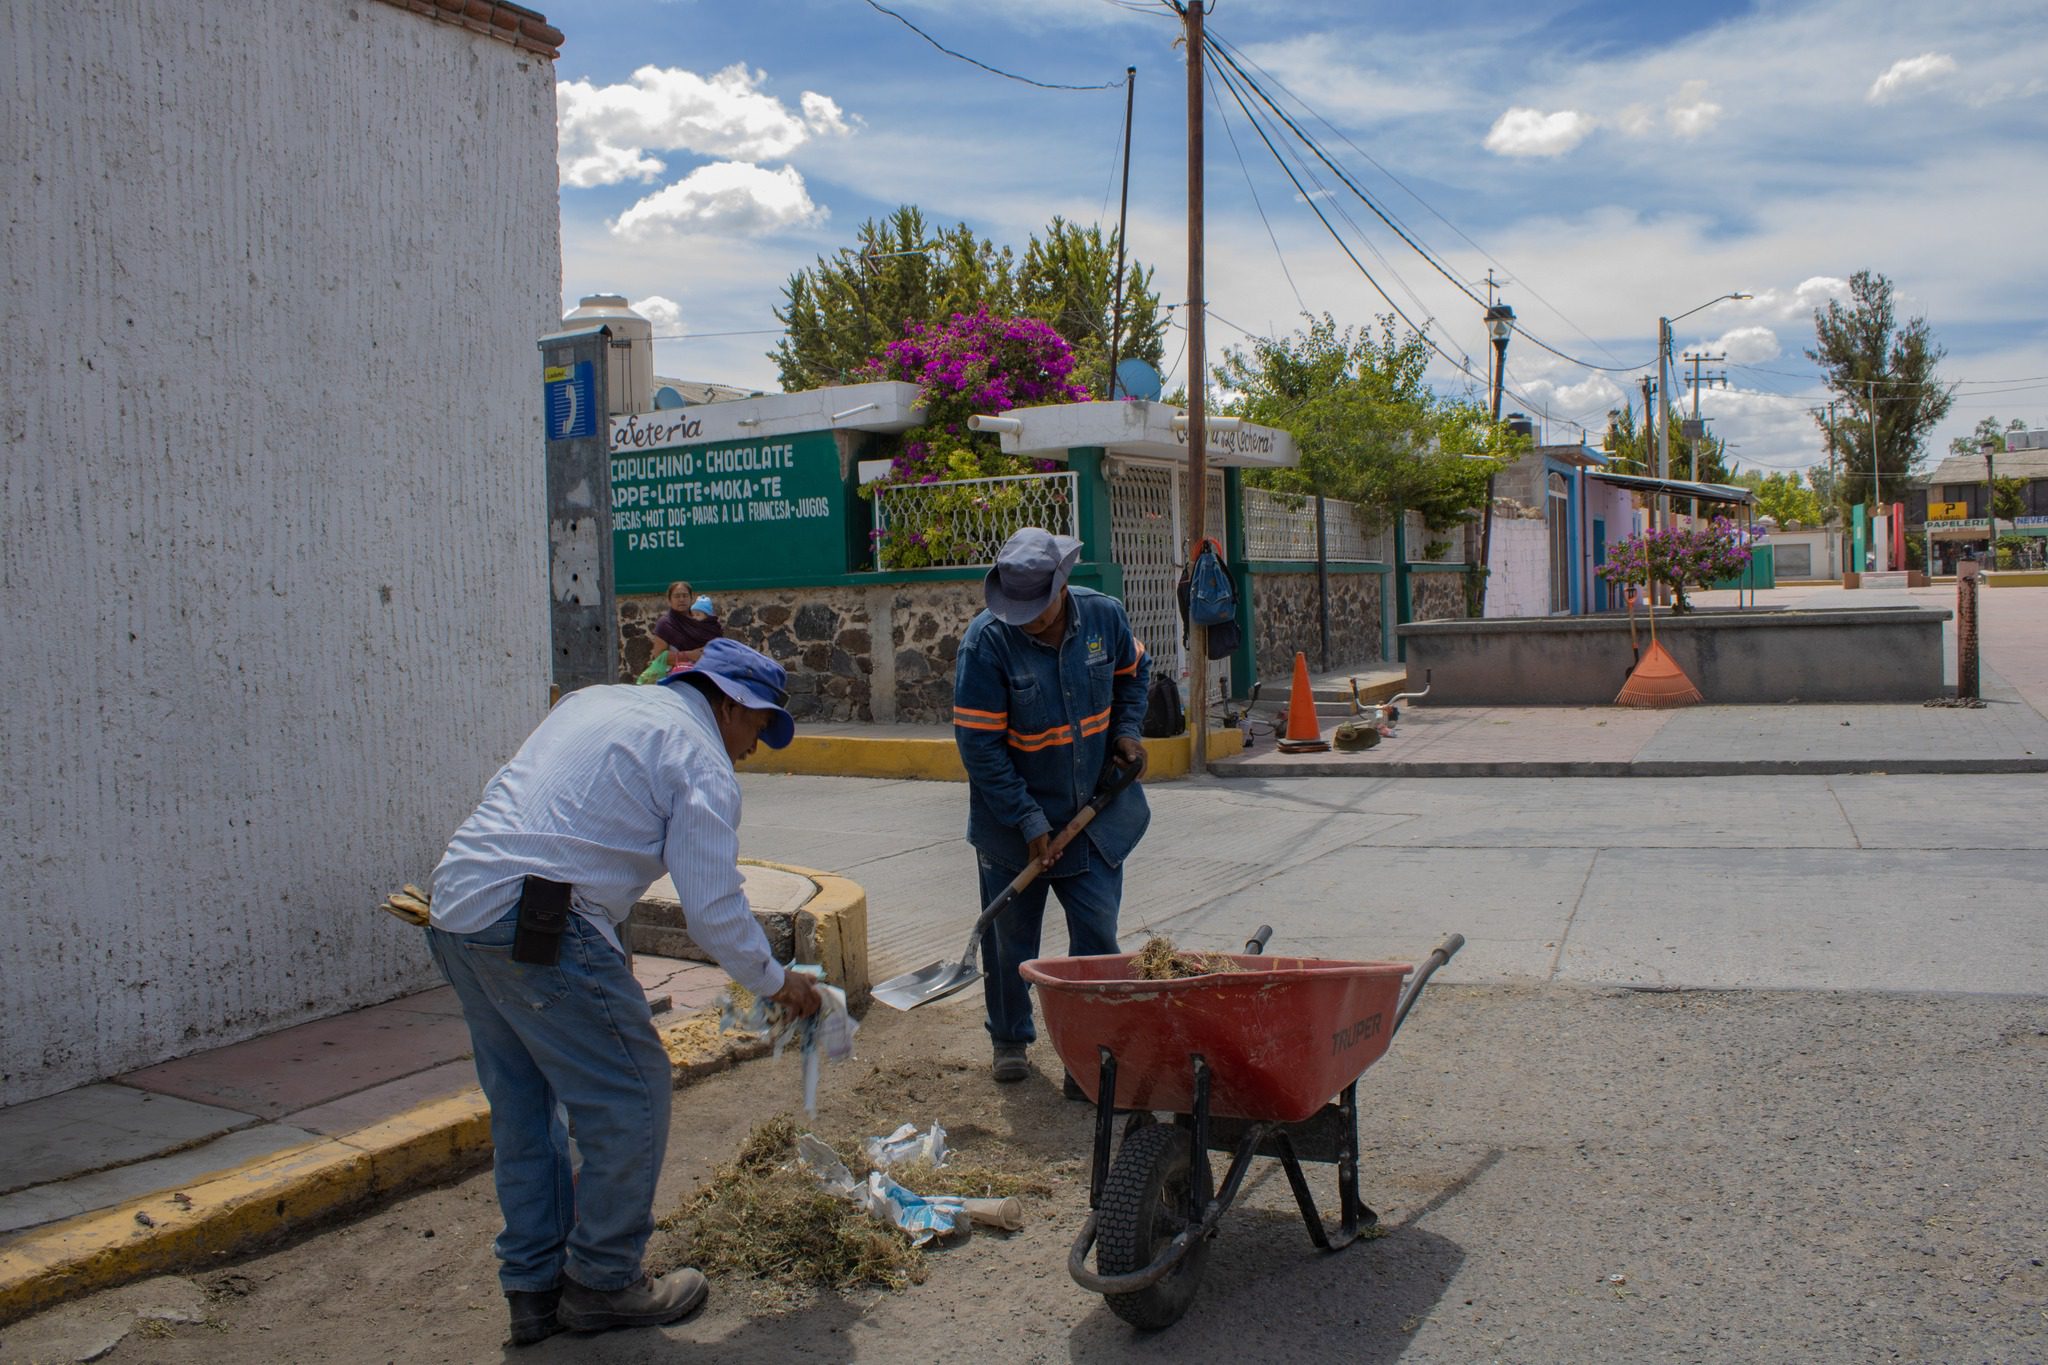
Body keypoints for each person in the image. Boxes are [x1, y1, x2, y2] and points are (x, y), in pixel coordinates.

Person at [428, 638, 821, 1345]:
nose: (755, 750)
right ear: (729, 703)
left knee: (523, 1104)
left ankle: (533, 1287)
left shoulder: (598, 701)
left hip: (459, 903)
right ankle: (603, 1278)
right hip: (538, 918)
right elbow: (713, 906)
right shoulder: (699, 756)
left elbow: (563, 818)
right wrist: (776, 980)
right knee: (632, 1091)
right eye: (758, 727)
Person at [952, 528, 1150, 1083]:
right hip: (1010, 821)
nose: (1027, 619)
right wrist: (1028, 819)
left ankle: (1089, 1053)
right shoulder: (986, 642)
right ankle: (1010, 1039)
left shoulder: (1104, 617)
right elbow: (980, 748)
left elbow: (1135, 675)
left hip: (1094, 812)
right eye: (1017, 609)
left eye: (1036, 608)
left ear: (1063, 584)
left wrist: (1128, 733)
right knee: (1010, 943)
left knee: (1096, 938)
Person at [635, 588, 724, 683]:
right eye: (677, 596)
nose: (681, 599)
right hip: (674, 679)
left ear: (691, 598)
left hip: (707, 676)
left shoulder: (707, 623)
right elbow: (659, 656)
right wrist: (690, 655)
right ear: (669, 600)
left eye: (685, 596)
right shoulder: (666, 624)